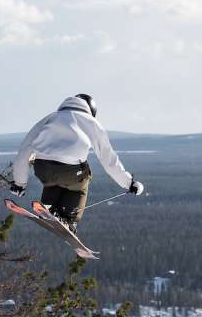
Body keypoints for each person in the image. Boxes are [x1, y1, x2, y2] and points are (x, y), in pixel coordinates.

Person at [10, 94, 144, 228]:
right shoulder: (90, 122)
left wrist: (19, 183)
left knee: (53, 181)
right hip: (71, 172)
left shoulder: (50, 118)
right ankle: (69, 219)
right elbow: (108, 158)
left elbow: (25, 150)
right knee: (82, 181)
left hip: (42, 169)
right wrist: (128, 183)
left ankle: (48, 206)